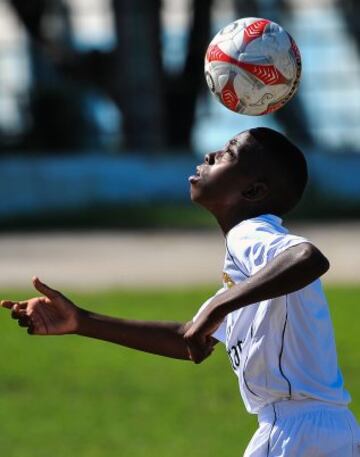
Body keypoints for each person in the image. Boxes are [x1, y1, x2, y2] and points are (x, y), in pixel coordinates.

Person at [1, 127, 359, 456]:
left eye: (227, 154)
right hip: (327, 430)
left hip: (296, 432)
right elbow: (187, 339)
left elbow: (308, 257)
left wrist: (219, 307)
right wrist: (81, 321)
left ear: (252, 191)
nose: (209, 156)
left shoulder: (249, 234)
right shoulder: (247, 275)